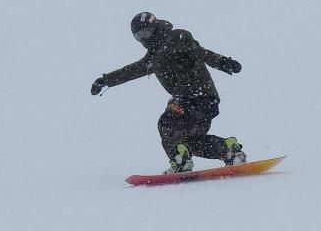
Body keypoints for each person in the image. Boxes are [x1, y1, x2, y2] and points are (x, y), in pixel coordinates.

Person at [90, 12, 246, 174]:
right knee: (189, 140)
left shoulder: (177, 37)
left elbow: (200, 52)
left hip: (191, 97)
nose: (144, 39)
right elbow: (133, 70)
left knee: (166, 125)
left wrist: (222, 62)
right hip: (207, 101)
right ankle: (228, 150)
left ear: (155, 26)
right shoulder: (153, 55)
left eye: (146, 33)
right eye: (138, 36)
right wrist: (106, 80)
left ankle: (181, 160)